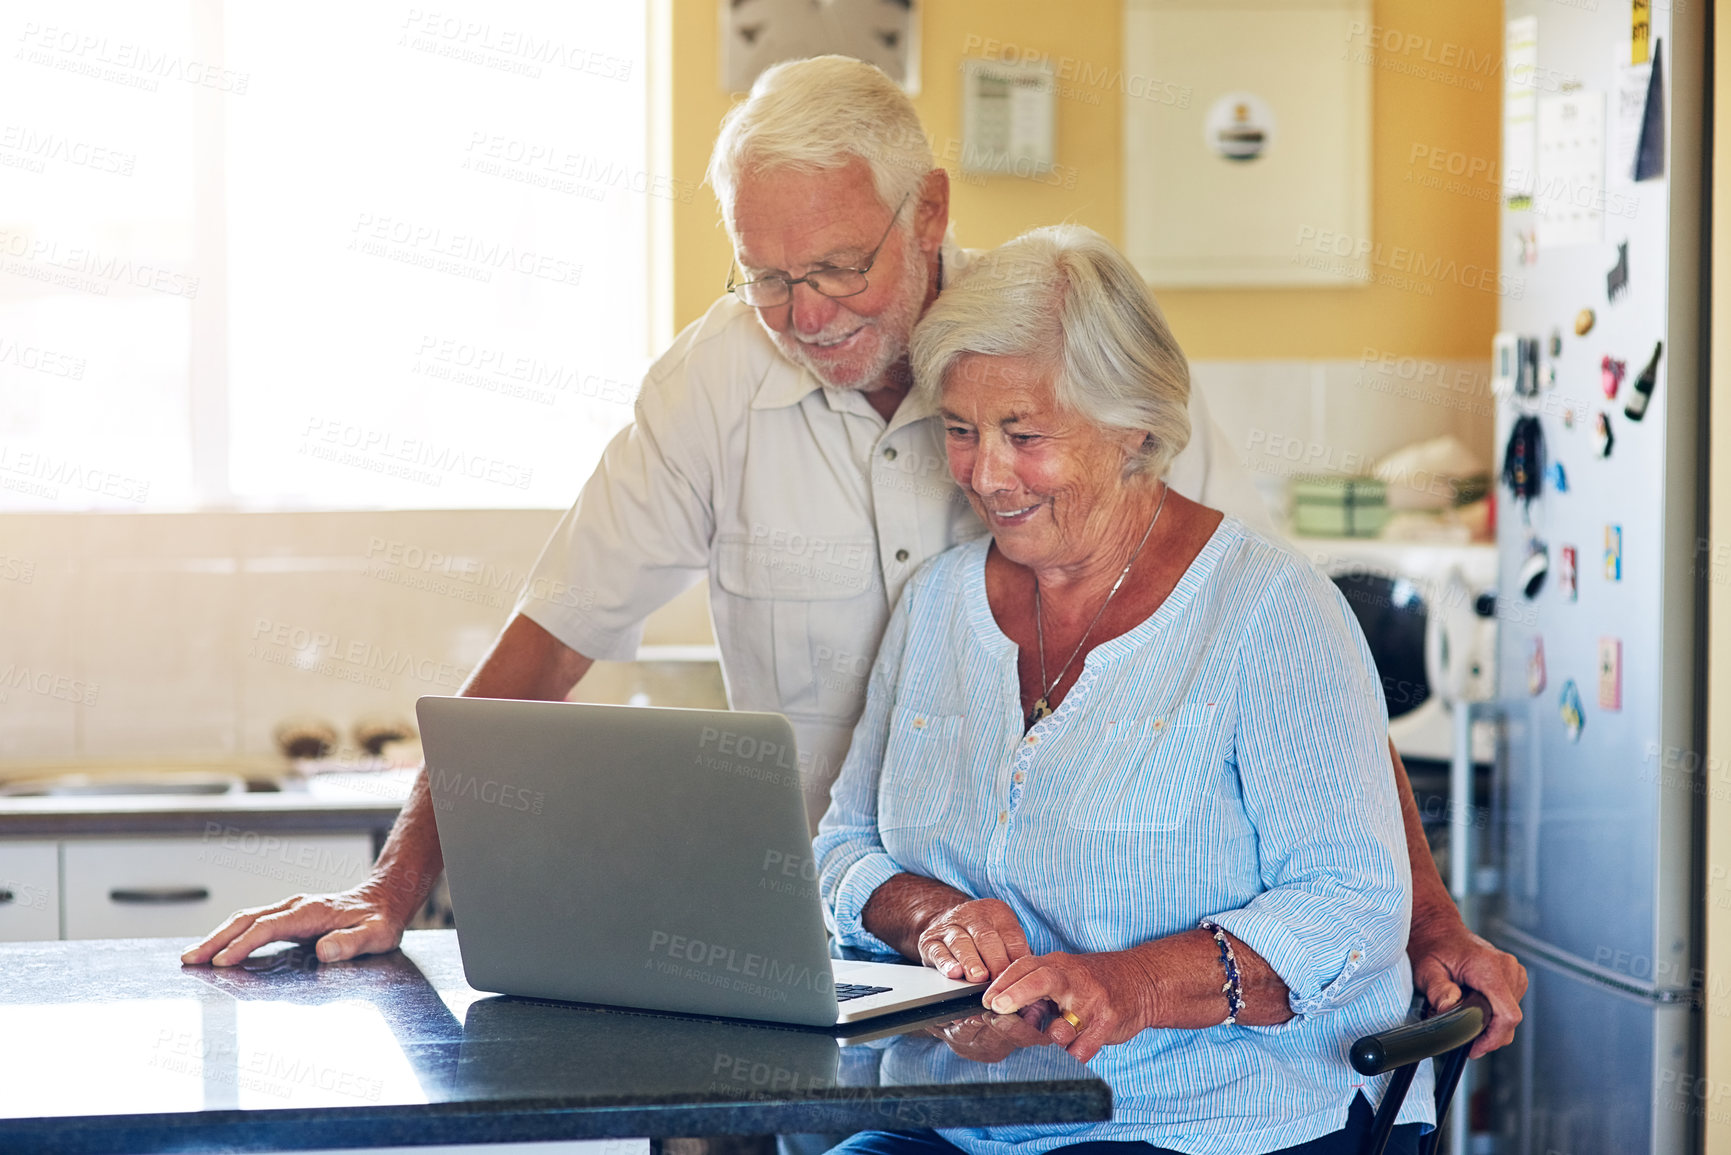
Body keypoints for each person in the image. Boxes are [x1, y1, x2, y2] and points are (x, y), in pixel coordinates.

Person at [180, 57, 1525, 1062]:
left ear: (927, 210)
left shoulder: (1070, 363)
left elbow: (1291, 668)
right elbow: (544, 644)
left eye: (836, 266)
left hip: (1145, 994)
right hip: (847, 948)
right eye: (763, 279)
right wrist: (397, 877)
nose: (804, 314)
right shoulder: (713, 386)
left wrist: (1412, 915)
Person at [816, 225, 1430, 1155]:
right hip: (958, 1122)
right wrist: (931, 914)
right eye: (959, 431)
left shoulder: (1270, 612)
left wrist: (1127, 984)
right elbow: (841, 848)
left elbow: (1349, 903)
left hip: (1206, 1123)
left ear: (1135, 425)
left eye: (1024, 435)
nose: (985, 474)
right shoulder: (935, 605)